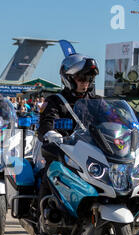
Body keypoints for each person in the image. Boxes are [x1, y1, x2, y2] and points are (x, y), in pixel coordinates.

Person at [37, 54, 100, 200]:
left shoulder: (98, 102)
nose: (86, 83)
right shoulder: (55, 101)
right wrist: (51, 133)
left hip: (93, 152)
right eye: (82, 79)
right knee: (52, 169)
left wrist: (129, 131)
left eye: (89, 79)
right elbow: (46, 122)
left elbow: (113, 119)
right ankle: (44, 211)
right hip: (66, 151)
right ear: (69, 78)